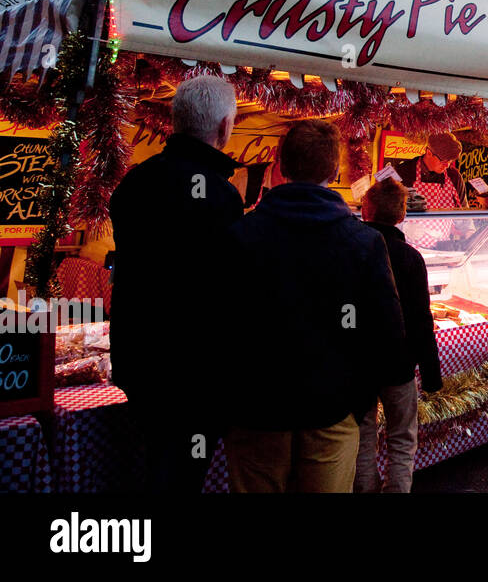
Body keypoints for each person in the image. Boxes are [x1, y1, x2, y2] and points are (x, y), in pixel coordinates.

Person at [217, 119, 406, 492]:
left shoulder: (239, 236)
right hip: (331, 412)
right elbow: (389, 335)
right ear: (335, 170)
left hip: (256, 412)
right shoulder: (363, 242)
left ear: (281, 167)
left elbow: (217, 327)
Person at [109, 76, 245, 492]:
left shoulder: (134, 183)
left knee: (159, 464)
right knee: (184, 472)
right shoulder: (221, 197)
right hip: (196, 373)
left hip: (140, 361)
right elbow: (228, 289)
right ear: (223, 127)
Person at [354, 178, 443, 493]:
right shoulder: (410, 257)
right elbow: (421, 319)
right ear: (403, 215)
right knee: (402, 439)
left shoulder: (354, 250)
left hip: (360, 364)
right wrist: (432, 375)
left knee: (363, 437)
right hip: (400, 364)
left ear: (366, 210)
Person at [394, 131, 469, 210]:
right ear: (429, 153)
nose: (447, 166)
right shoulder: (403, 172)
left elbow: (463, 210)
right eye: (443, 161)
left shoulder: (454, 176)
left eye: (450, 161)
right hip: (412, 222)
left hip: (445, 222)